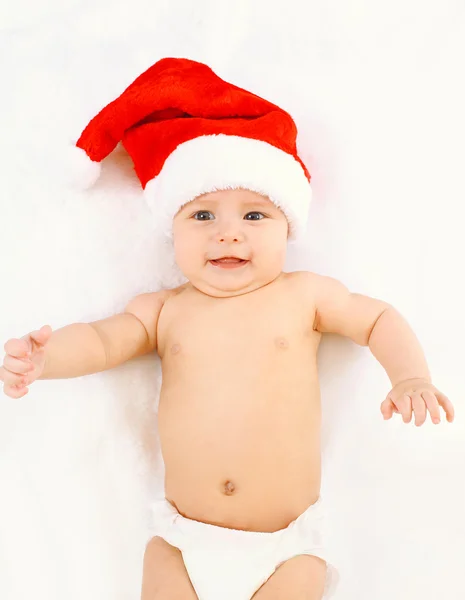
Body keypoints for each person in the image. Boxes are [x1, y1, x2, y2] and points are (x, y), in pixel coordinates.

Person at [0, 58, 455, 600]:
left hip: (286, 548)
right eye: (202, 216)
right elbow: (101, 342)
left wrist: (409, 377)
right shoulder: (163, 309)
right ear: (172, 229)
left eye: (254, 216)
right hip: (182, 541)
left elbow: (378, 317)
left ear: (290, 225)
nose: (228, 236)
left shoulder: (303, 294)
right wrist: (45, 360)